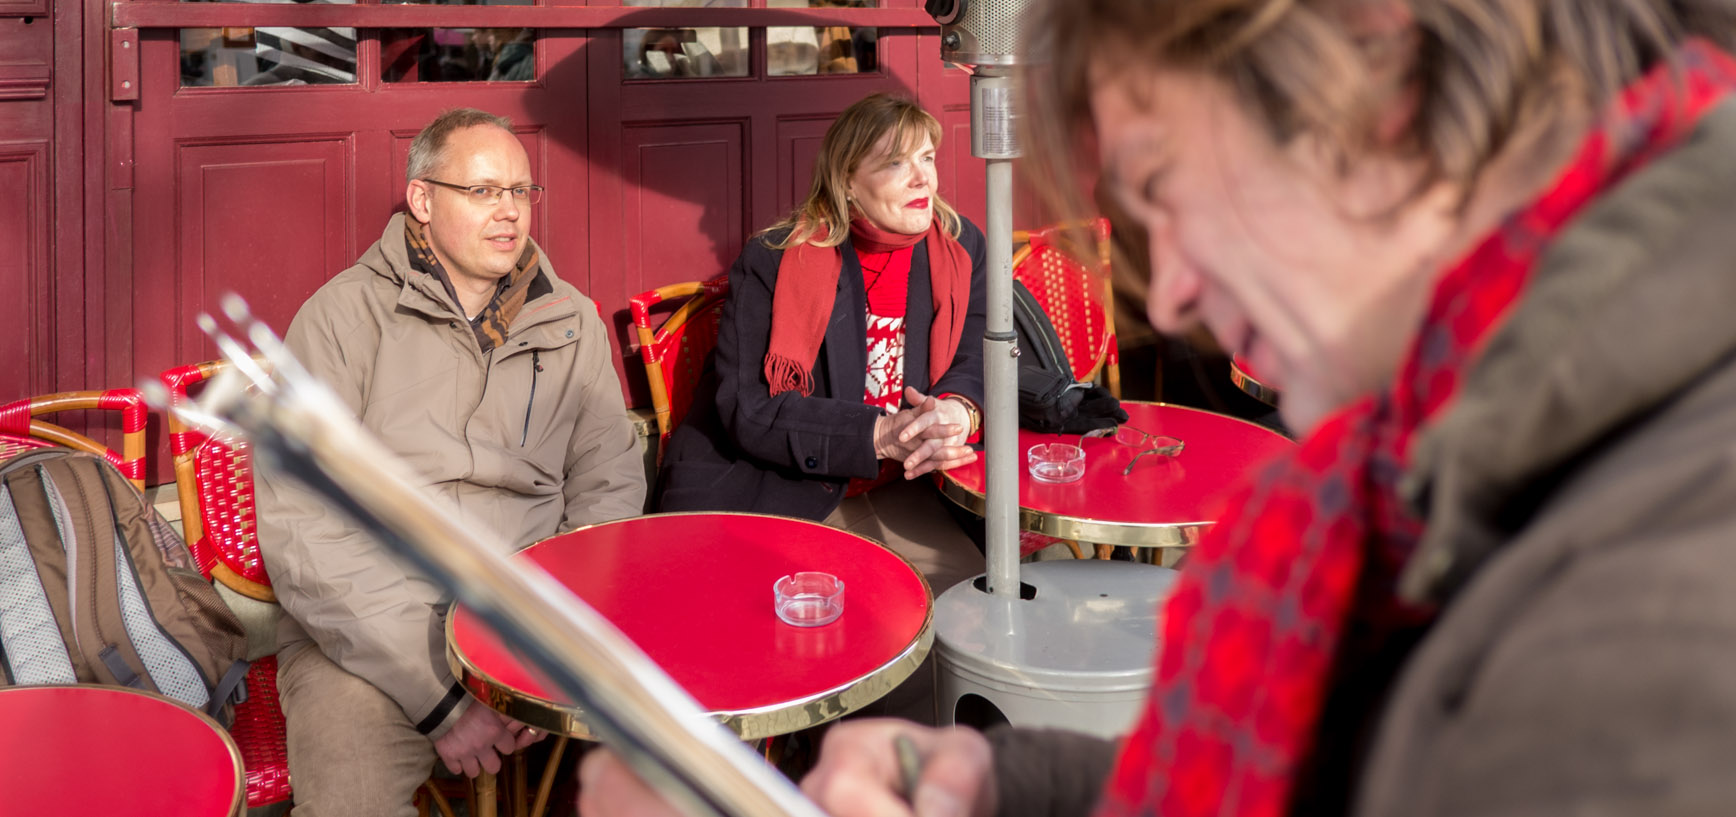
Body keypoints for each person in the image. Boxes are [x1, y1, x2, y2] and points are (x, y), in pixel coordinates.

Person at [583, 1, 1736, 815]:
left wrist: (1060, 407)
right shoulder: (1454, 469)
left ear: (1379, 98)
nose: (1168, 283)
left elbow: (1004, 366)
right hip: (795, 499)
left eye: (1164, 184)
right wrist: (1008, 787)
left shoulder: (1640, 637)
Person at [254, 107, 647, 817]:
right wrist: (440, 700)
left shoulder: (569, 321)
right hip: (373, 623)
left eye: (521, 192)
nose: (509, 213)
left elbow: (607, 478)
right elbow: (307, 535)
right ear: (424, 201)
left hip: (526, 606)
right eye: (484, 191)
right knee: (350, 795)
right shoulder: (340, 320)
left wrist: (553, 632)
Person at [658, 92, 990, 606]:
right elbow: (750, 409)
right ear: (848, 182)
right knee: (828, 634)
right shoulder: (775, 259)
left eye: (927, 157)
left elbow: (982, 347)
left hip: (908, 485)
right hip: (778, 489)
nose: (924, 178)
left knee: (967, 611)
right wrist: (879, 433)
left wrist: (958, 411)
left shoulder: (960, 245)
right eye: (896, 163)